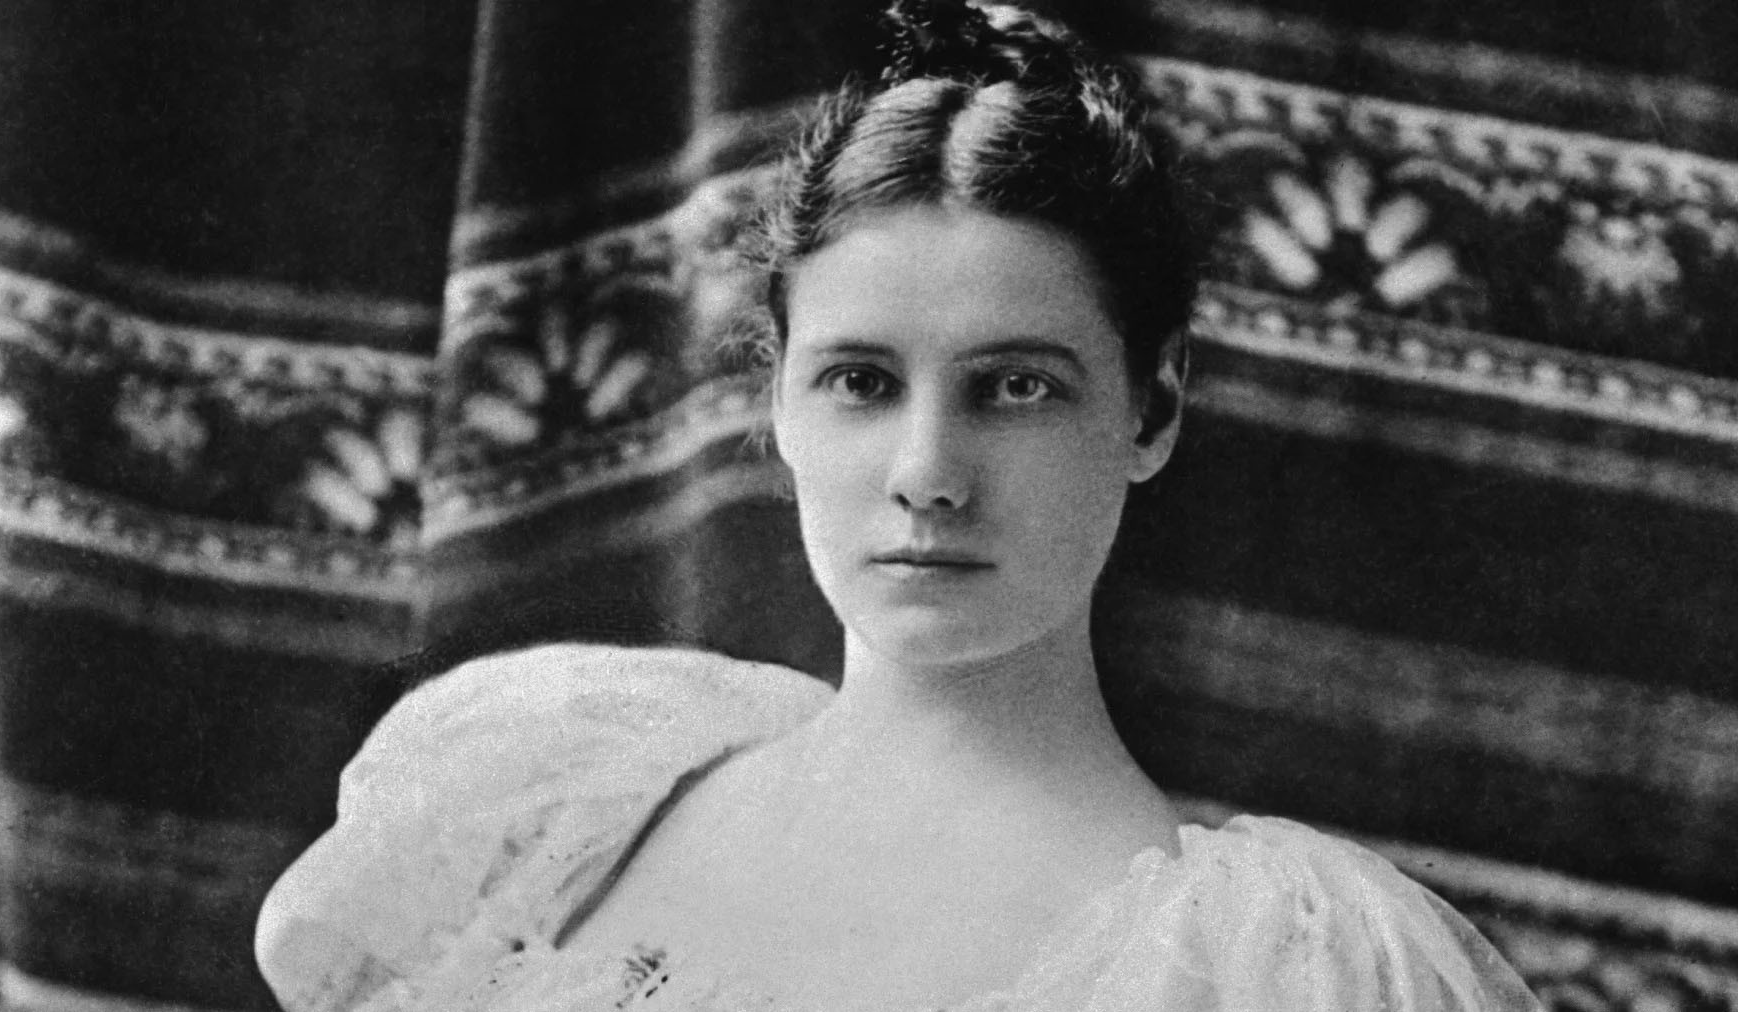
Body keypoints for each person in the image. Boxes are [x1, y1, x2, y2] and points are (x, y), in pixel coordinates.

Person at [255, 2, 1544, 1009]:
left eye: (1017, 387)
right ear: (778, 401)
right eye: (862, 382)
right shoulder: (564, 800)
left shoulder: (1268, 971)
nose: (929, 472)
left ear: (1150, 413)